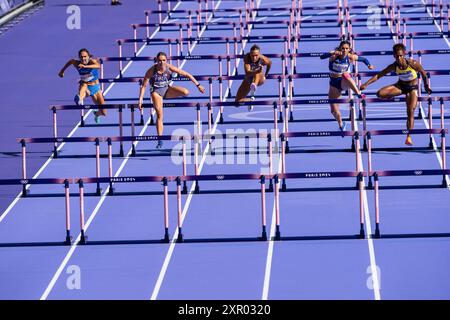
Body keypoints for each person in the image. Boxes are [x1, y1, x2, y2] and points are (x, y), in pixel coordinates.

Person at [361, 43, 432, 146]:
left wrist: (426, 86)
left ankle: (408, 136)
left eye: (400, 55)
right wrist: (365, 84)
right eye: (397, 56)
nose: (399, 58)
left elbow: (424, 73)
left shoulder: (413, 63)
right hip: (400, 87)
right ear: (394, 56)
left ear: (404, 54)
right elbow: (379, 75)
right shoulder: (394, 66)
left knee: (410, 111)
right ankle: (393, 95)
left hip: (412, 89)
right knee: (380, 93)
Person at [138, 52, 205, 148]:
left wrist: (198, 85)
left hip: (167, 90)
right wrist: (140, 100)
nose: (161, 62)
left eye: (163, 60)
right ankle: (160, 139)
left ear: (166, 60)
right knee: (160, 115)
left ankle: (166, 97)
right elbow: (144, 86)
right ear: (156, 61)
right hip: (156, 93)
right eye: (159, 60)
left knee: (186, 92)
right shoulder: (151, 71)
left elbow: (186, 74)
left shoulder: (169, 68)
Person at [320, 40, 374, 135]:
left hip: (343, 82)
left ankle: (359, 94)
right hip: (333, 84)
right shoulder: (334, 56)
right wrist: (332, 52)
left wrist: (369, 65)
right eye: (343, 48)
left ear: (349, 49)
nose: (344, 50)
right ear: (340, 48)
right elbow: (321, 57)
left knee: (345, 74)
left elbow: (363, 59)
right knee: (333, 111)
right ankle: (341, 124)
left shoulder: (350, 57)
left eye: (346, 49)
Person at [58, 48, 106, 123]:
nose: (83, 58)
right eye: (81, 57)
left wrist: (85, 66)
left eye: (85, 56)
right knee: (83, 86)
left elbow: (98, 66)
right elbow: (70, 61)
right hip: (85, 86)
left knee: (104, 112)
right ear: (79, 57)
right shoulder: (77, 63)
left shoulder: (92, 61)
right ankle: (79, 99)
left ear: (88, 56)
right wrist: (62, 71)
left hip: (96, 88)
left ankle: (96, 114)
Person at [235, 44, 272, 111]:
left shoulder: (263, 59)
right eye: (252, 56)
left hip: (260, 78)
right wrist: (257, 70)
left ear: (259, 54)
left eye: (256, 56)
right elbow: (247, 72)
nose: (254, 58)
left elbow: (270, 63)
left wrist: (266, 74)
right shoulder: (247, 57)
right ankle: (250, 100)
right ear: (250, 54)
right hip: (249, 79)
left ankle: (254, 85)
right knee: (237, 102)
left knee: (258, 70)